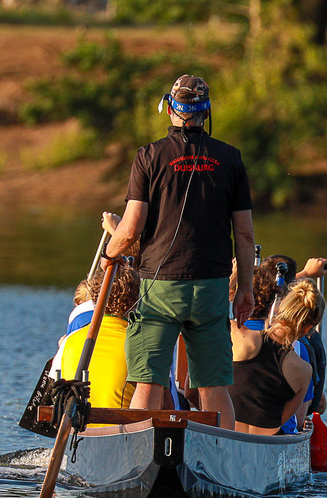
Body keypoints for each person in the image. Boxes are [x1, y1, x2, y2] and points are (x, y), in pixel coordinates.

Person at [100, 74, 256, 430]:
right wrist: (244, 288)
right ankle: (223, 458)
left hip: (159, 287)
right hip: (211, 288)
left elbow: (131, 229)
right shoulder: (231, 159)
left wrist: (110, 255)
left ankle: (137, 452)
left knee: (149, 381)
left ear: (169, 108)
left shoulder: (149, 156)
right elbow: (244, 234)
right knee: (212, 384)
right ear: (206, 113)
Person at [229, 278, 325, 435]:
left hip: (227, 438)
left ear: (280, 309)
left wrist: (232, 280)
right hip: (267, 445)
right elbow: (280, 419)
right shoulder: (304, 370)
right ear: (308, 327)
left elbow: (204, 313)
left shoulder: (238, 334)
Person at [58, 264, 140, 411]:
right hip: (120, 427)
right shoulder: (140, 343)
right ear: (136, 302)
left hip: (79, 425)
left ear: (95, 299)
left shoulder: (69, 340)